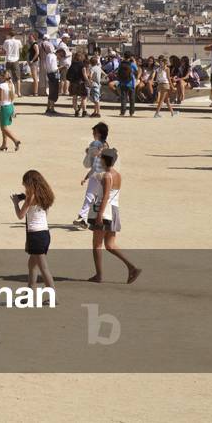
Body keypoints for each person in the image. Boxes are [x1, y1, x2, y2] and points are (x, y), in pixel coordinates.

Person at [88, 148, 141, 284]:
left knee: (97, 245)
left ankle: (99, 275)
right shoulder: (117, 174)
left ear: (105, 160)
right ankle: (132, 267)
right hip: (114, 210)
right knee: (110, 244)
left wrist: (99, 214)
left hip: (105, 211)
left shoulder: (107, 176)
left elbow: (105, 196)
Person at [11, 170, 55, 292]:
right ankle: (29, 292)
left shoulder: (31, 197)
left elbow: (20, 215)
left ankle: (53, 296)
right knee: (32, 265)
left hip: (35, 235)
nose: (24, 186)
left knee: (43, 268)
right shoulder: (45, 195)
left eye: (25, 184)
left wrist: (15, 203)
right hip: (44, 233)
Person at [74, 122, 109, 229]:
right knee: (89, 197)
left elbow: (102, 155)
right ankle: (82, 217)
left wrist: (90, 151)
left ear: (98, 134)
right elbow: (93, 165)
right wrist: (86, 177)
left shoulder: (104, 145)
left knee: (98, 198)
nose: (93, 134)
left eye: (94, 132)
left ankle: (95, 218)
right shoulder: (97, 145)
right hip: (95, 175)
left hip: (102, 177)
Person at [0, 70, 21, 151]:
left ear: (3, 77)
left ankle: (15, 140)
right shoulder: (11, 84)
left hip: (4, 107)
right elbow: (13, 97)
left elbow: (0, 98)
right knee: (5, 126)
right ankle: (4, 144)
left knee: (3, 128)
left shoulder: (2, 85)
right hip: (10, 106)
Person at [116, 51, 137, 117]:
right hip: (131, 83)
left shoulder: (121, 63)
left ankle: (122, 112)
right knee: (132, 99)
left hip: (122, 83)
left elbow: (118, 72)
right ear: (130, 56)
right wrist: (134, 61)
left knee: (123, 99)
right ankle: (131, 112)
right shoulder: (132, 64)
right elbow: (136, 70)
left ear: (124, 56)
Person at [3, 32, 22, 96]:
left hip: (8, 60)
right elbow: (20, 50)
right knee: (18, 78)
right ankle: (19, 92)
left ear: (9, 35)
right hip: (16, 60)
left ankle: (9, 92)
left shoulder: (6, 41)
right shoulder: (18, 41)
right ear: (15, 35)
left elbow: (4, 50)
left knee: (8, 77)